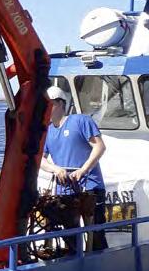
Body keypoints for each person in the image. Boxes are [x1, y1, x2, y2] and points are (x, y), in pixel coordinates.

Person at [39, 85, 108, 253]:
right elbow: (40, 159)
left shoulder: (81, 121)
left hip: (90, 186)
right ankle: (73, 265)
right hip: (65, 189)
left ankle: (99, 264)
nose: (47, 109)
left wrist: (82, 170)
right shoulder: (47, 131)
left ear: (61, 104)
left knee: (96, 232)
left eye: (50, 104)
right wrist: (55, 169)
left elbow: (99, 147)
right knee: (70, 235)